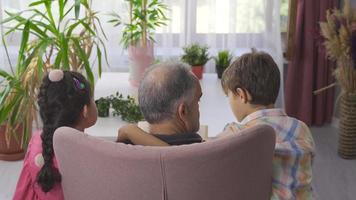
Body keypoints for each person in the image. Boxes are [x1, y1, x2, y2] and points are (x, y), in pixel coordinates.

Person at [118, 50, 315, 200]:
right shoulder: (301, 129)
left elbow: (180, 159)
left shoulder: (237, 134)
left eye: (228, 96)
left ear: (241, 95)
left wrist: (130, 130)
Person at [13, 70, 98, 200]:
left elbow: (25, 190)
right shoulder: (89, 153)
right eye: (93, 99)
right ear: (85, 110)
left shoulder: (36, 141)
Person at [119, 61, 203, 145]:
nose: (199, 108)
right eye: (198, 100)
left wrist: (129, 130)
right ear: (183, 111)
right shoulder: (206, 153)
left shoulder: (122, 151)